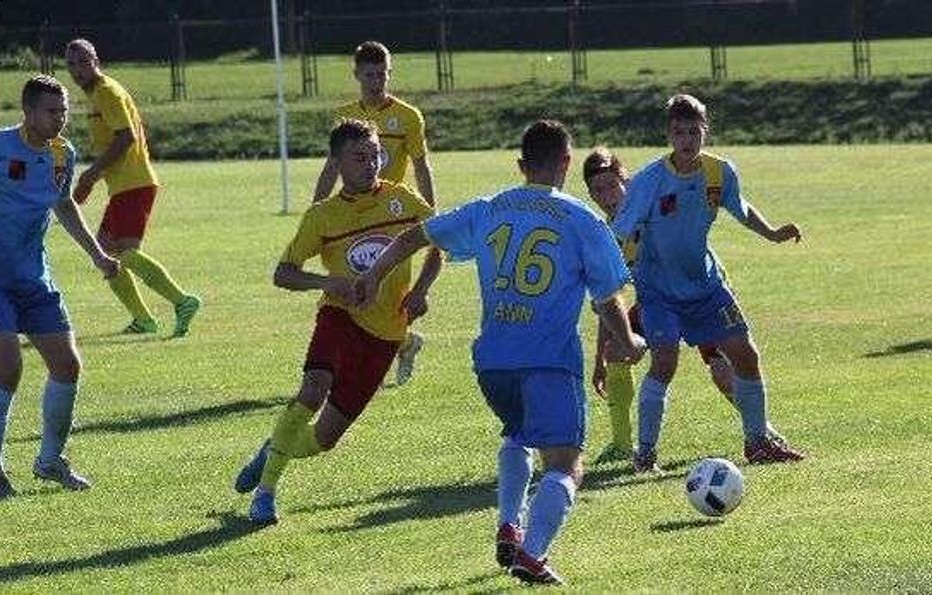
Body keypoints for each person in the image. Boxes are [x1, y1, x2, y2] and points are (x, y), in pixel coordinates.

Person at [356, 120, 646, 586]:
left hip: (492, 363)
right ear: (567, 164)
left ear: (520, 165)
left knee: (517, 434)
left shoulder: (489, 208)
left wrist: (374, 275)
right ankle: (531, 555)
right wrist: (628, 342)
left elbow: (418, 235)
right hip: (548, 361)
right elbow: (607, 297)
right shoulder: (581, 218)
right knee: (566, 463)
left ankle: (510, 522)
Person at [231, 119, 442, 525]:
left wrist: (421, 289)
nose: (371, 165)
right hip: (339, 315)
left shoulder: (404, 201)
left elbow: (439, 244)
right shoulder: (322, 216)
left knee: (325, 439)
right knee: (314, 387)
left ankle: (274, 447)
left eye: (375, 155)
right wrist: (329, 283)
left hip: (387, 332)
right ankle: (266, 495)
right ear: (337, 162)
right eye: (359, 157)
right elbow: (284, 273)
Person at [0, 75, 120, 500]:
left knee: (67, 366)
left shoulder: (62, 155)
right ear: (29, 112)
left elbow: (63, 203)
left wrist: (96, 255)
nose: (60, 119)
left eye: (64, 111)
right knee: (8, 368)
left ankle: (50, 460)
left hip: (34, 278)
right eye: (52, 111)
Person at [609, 94, 805, 468]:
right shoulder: (650, 181)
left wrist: (773, 233)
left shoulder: (720, 173)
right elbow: (620, 232)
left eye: (694, 131)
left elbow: (741, 208)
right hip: (659, 291)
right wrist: (606, 278)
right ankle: (645, 452)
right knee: (664, 363)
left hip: (706, 284)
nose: (687, 139)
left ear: (705, 131)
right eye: (679, 132)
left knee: (746, 356)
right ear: (669, 134)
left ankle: (757, 442)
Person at [582, 147, 787, 465]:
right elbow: (610, 301)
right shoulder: (611, 235)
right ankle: (625, 446)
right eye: (597, 189)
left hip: (700, 293)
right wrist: (598, 359)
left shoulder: (648, 202)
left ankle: (762, 432)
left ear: (629, 183)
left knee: (723, 369)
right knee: (618, 352)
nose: (607, 195)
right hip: (658, 298)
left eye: (612, 185)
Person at [313, 40, 434, 385]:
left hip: (393, 214)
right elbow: (331, 167)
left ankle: (392, 345)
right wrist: (317, 209)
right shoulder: (344, 116)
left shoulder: (409, 117)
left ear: (389, 73)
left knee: (387, 295)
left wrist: (431, 211)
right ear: (356, 75)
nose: (376, 81)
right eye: (369, 75)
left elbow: (422, 166)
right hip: (352, 214)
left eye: (382, 74)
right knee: (351, 290)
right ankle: (400, 344)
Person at [63, 38, 201, 337]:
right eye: (71, 64)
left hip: (134, 183)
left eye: (82, 62)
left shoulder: (107, 92)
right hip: (125, 185)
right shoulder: (98, 94)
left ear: (95, 60)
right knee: (105, 252)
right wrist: (95, 177)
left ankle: (182, 301)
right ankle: (143, 320)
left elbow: (125, 138)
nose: (77, 70)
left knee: (123, 253)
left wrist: (91, 174)